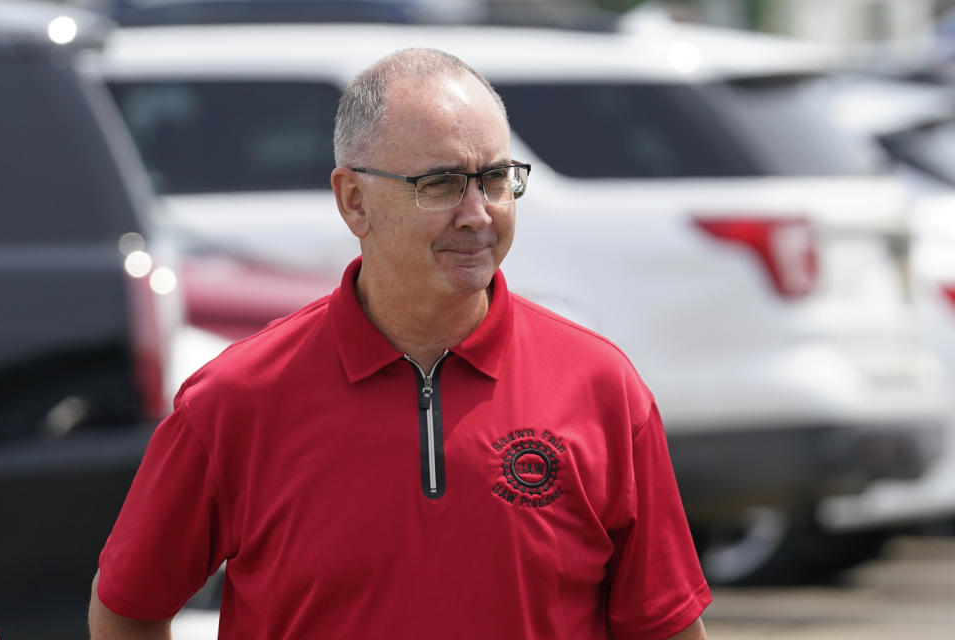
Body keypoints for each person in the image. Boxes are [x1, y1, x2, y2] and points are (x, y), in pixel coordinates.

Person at [88, 48, 711, 639]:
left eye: (494, 178)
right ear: (353, 200)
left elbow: (664, 625)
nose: (478, 212)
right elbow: (128, 606)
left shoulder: (600, 386)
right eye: (440, 183)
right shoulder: (234, 400)